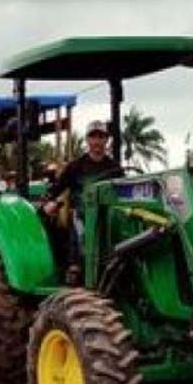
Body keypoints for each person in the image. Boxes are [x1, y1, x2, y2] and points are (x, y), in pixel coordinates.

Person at [43, 120, 123, 283]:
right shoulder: (75, 167)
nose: (97, 141)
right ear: (88, 140)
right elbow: (57, 188)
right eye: (93, 137)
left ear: (106, 140)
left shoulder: (114, 168)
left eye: (101, 137)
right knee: (79, 219)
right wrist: (50, 202)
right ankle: (75, 265)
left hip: (108, 216)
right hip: (82, 214)